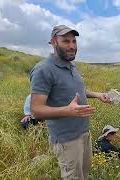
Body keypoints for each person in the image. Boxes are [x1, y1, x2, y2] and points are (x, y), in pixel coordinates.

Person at [30, 25, 111, 180]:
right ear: (54, 42)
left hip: (84, 133)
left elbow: (78, 90)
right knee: (73, 177)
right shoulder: (43, 70)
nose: (72, 46)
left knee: (84, 173)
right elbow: (36, 110)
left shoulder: (71, 66)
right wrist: (67, 111)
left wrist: (98, 94)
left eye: (74, 41)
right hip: (67, 139)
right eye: (66, 41)